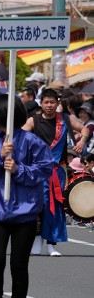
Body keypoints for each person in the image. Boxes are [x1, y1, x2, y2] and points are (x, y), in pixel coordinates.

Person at [0, 94, 52, 298]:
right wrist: (1, 158)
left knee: (19, 265)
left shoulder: (32, 141)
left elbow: (44, 170)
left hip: (25, 214)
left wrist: (19, 169)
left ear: (1, 113)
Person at [22, 88, 90, 257]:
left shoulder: (65, 119)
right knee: (40, 206)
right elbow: (19, 135)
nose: (49, 105)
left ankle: (52, 244)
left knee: (56, 207)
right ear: (41, 103)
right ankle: (37, 241)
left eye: (53, 102)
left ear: (58, 103)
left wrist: (82, 140)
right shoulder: (33, 121)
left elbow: (85, 129)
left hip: (58, 171)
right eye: (46, 102)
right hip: (38, 171)